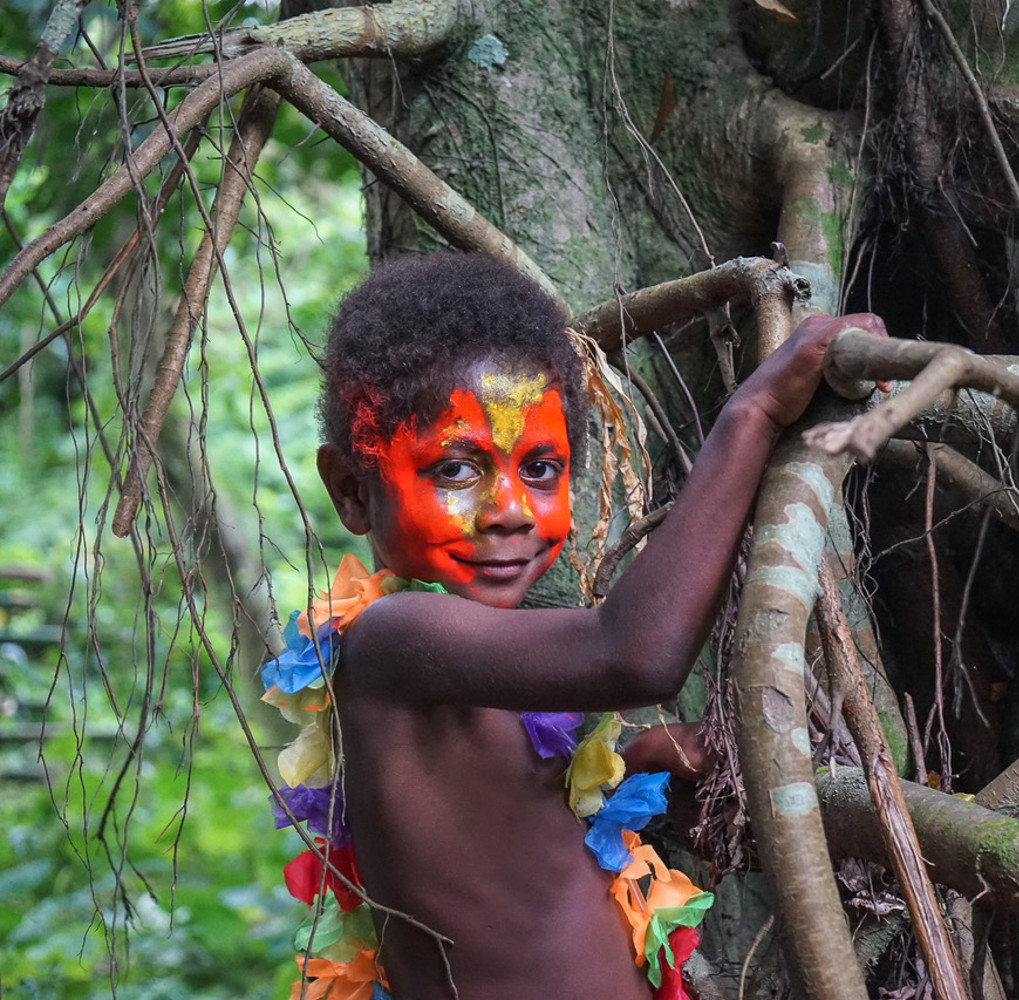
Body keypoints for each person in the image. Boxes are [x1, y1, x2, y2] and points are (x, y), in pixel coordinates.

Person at [258, 251, 883, 1000]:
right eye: (455, 469)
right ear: (352, 492)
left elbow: (501, 838)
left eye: (541, 468)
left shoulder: (468, 672)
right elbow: (633, 654)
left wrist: (638, 765)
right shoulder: (392, 640)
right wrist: (753, 413)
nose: (512, 508)